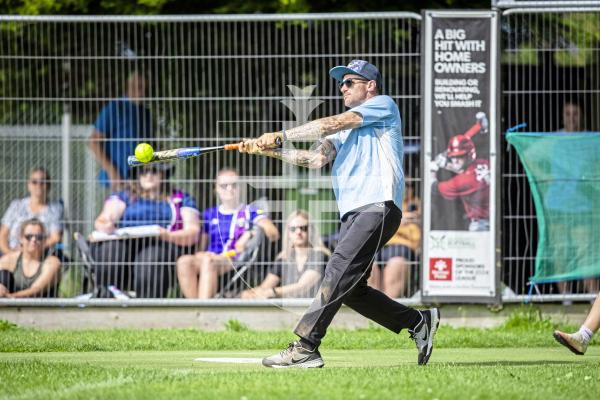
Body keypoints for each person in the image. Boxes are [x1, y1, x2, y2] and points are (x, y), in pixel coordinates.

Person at [239, 59, 440, 368]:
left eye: (350, 82)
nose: (342, 87)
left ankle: (305, 347)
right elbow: (316, 159)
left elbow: (333, 122)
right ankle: (417, 322)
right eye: (341, 83)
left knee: (336, 269)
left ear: (369, 86)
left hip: (378, 205)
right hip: (355, 213)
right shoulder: (346, 131)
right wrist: (268, 150)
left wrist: (280, 135)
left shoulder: (382, 105)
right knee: (351, 289)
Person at [90, 163, 199, 298]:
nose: (148, 176)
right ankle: (106, 299)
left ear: (163, 174)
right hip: (126, 244)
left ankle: (146, 309)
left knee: (150, 258)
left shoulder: (180, 198)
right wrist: (105, 223)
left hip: (162, 244)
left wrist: (166, 235)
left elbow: (193, 232)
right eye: (143, 172)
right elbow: (105, 218)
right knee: (111, 250)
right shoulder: (126, 196)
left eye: (154, 171)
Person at [176, 168, 279, 299]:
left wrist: (249, 233)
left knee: (209, 261)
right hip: (210, 256)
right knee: (184, 261)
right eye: (224, 186)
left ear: (240, 187)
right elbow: (202, 246)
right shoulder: (209, 214)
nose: (229, 189)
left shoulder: (249, 211)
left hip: (233, 258)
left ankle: (203, 310)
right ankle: (194, 309)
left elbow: (273, 232)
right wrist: (202, 253)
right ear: (216, 189)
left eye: (234, 185)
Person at [549, 100, 598, 297]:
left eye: (575, 114)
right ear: (562, 116)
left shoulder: (591, 140)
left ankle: (592, 299)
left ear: (582, 116)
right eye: (567, 114)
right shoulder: (552, 140)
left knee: (586, 252)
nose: (571, 118)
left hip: (583, 206)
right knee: (560, 251)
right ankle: (565, 299)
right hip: (557, 206)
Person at [241, 210, 330, 299]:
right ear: (288, 233)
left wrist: (272, 292)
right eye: (293, 229)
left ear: (312, 231)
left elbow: (302, 287)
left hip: (317, 308)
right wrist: (249, 293)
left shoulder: (320, 255)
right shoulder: (284, 258)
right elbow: (265, 287)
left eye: (303, 228)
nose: (298, 232)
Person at [88, 70, 153, 189]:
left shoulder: (146, 114)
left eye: (146, 88)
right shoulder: (115, 108)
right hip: (114, 181)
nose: (143, 92)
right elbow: (93, 142)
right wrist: (111, 171)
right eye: (139, 87)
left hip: (138, 183)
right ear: (129, 87)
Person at [430, 114, 490, 231]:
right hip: (493, 220)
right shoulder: (483, 163)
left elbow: (434, 187)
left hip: (481, 225)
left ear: (469, 155)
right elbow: (465, 170)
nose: (455, 160)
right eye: (453, 157)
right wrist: (446, 165)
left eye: (460, 156)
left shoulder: (464, 181)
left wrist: (432, 169)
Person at [368, 185, 421, 298]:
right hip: (378, 244)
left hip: (402, 245)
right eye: (401, 184)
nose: (405, 188)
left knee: (396, 264)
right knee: (369, 268)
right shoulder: (379, 202)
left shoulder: (417, 204)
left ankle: (387, 309)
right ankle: (374, 308)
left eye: (408, 185)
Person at [0, 168, 63, 256]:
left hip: (40, 254)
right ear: (28, 185)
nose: (38, 185)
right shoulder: (16, 205)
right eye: (34, 182)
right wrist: (9, 253)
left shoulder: (55, 209)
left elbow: (55, 237)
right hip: (13, 251)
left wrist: (30, 250)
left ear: (48, 186)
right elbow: (3, 234)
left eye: (43, 182)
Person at [0, 218, 61, 298]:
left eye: (39, 237)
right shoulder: (10, 259)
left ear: (44, 239)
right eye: (28, 236)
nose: (34, 240)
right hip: (13, 307)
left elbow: (36, 289)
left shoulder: (52, 262)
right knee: (4, 275)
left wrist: (10, 298)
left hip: (42, 308)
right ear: (21, 238)